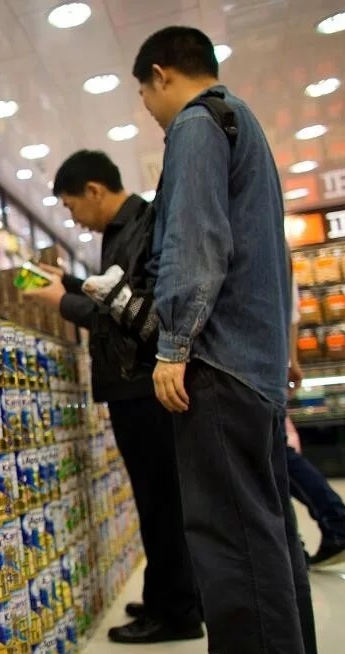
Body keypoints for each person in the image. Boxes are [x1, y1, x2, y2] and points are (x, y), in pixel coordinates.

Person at [133, 26, 316, 654]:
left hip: (219, 364)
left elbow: (195, 241)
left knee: (231, 548)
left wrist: (173, 346)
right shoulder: (245, 123)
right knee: (269, 538)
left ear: (161, 74)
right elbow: (275, 256)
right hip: (258, 368)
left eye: (143, 94)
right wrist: (283, 347)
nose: (148, 109)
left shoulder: (196, 124)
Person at [23, 150, 202, 644]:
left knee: (159, 502)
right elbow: (111, 294)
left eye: (71, 205)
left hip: (142, 386)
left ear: (94, 190)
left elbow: (129, 311)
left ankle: (176, 612)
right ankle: (170, 596)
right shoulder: (125, 230)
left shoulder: (140, 226)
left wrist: (61, 301)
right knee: (157, 500)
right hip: (136, 385)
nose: (73, 217)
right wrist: (69, 284)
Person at [287, 277, 345, 566]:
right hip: (270, 362)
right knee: (275, 456)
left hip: (254, 367)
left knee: (275, 456)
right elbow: (293, 313)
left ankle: (334, 522)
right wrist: (291, 360)